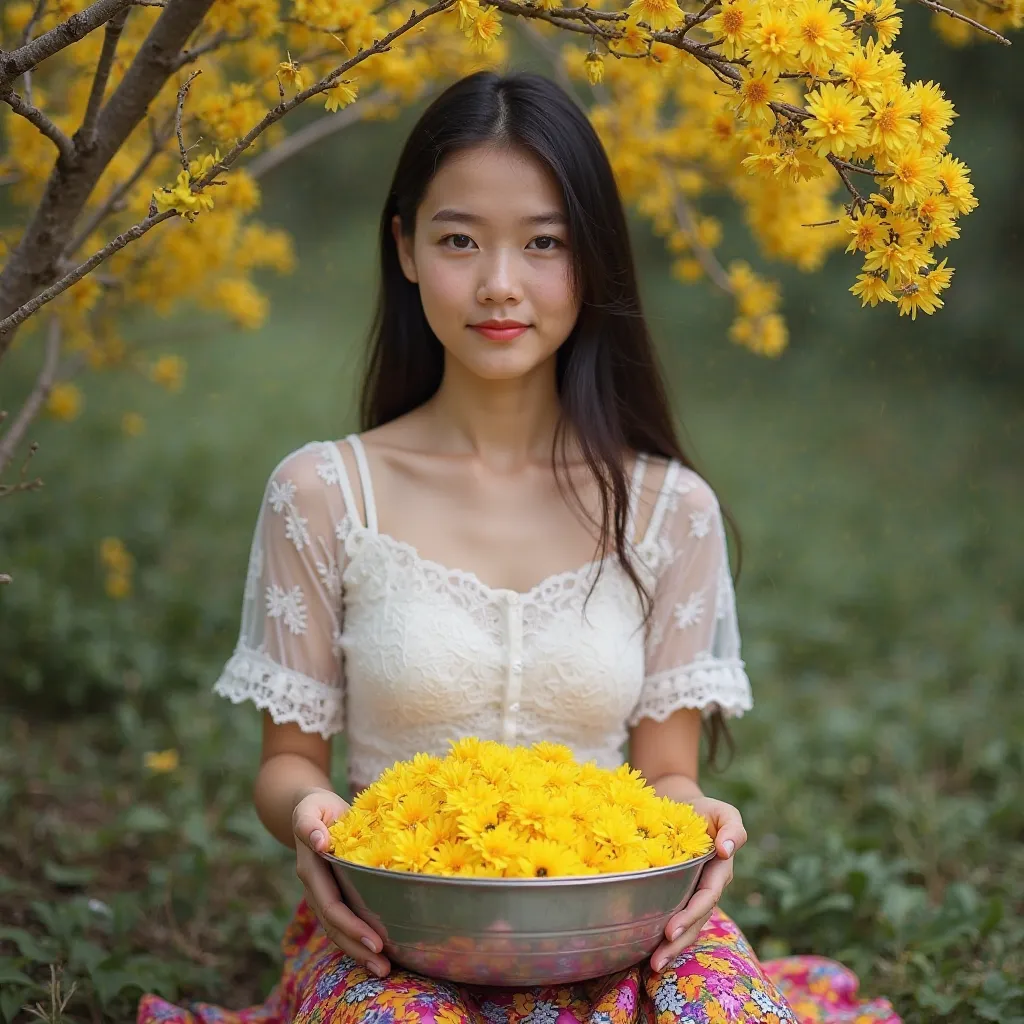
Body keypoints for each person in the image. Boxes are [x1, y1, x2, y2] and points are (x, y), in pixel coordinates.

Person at [138, 70, 900, 1024]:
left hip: (620, 921)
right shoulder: (325, 493)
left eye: (545, 244)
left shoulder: (671, 511)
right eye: (460, 240)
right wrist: (308, 820)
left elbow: (667, 775)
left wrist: (694, 819)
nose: (501, 284)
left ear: (593, 263)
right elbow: (288, 760)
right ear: (405, 247)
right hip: (395, 928)